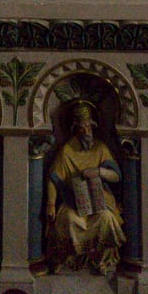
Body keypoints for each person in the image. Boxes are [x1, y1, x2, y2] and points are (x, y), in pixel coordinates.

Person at [45, 102, 125, 276]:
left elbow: (116, 176)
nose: (87, 132)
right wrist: (51, 204)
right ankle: (67, 258)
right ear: (75, 128)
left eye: (89, 127)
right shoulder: (67, 150)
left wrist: (99, 171)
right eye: (83, 128)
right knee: (68, 219)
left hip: (98, 199)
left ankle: (102, 260)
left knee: (106, 219)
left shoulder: (100, 148)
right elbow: (54, 178)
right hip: (73, 201)